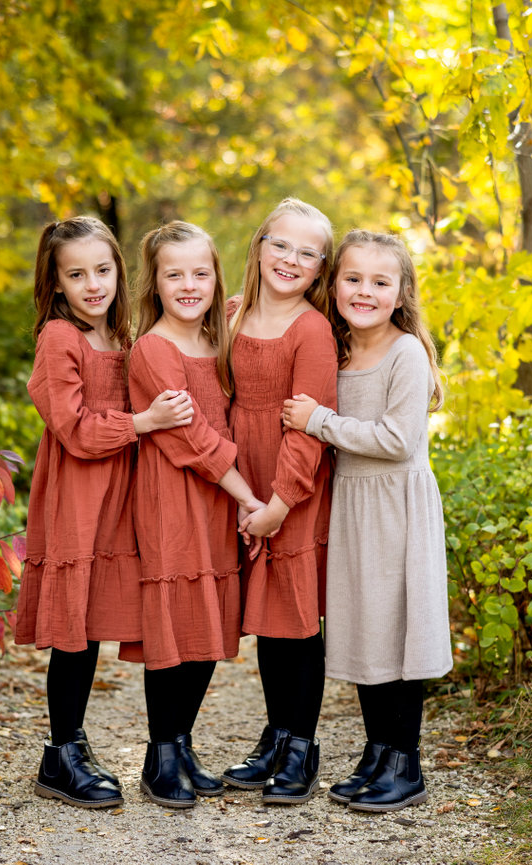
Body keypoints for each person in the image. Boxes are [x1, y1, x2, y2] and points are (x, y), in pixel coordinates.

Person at [17, 216, 196, 809]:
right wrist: (144, 423)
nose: (93, 284)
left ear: (120, 269)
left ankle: (164, 747)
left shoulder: (123, 335)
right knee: (77, 631)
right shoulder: (59, 339)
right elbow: (71, 429)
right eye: (77, 274)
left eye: (102, 269)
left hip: (125, 496)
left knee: (102, 615)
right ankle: (62, 752)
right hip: (79, 496)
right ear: (57, 282)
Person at [281, 229, 452, 812]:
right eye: (353, 279)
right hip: (355, 505)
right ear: (334, 285)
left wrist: (318, 421)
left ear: (402, 293)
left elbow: (398, 441)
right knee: (366, 628)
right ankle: (377, 753)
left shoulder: (405, 353)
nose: (364, 291)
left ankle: (406, 761)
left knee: (398, 629)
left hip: (396, 509)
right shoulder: (339, 347)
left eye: (380, 282)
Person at [126, 221, 266, 808]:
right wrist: (248, 497)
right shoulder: (153, 348)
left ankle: (182, 744)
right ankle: (159, 757)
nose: (189, 284)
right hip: (174, 498)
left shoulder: (219, 339)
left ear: (216, 277)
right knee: (176, 625)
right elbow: (194, 438)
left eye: (200, 273)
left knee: (211, 621)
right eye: (174, 274)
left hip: (216, 497)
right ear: (154, 284)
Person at [221, 198, 338, 804]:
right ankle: (274, 734)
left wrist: (281, 502)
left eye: (307, 252)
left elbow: (308, 430)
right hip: (242, 478)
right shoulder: (234, 314)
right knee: (267, 617)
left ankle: (302, 747)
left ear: (320, 268)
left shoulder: (312, 331)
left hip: (291, 488)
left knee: (294, 620)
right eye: (281, 245)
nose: (290, 259)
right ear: (260, 244)